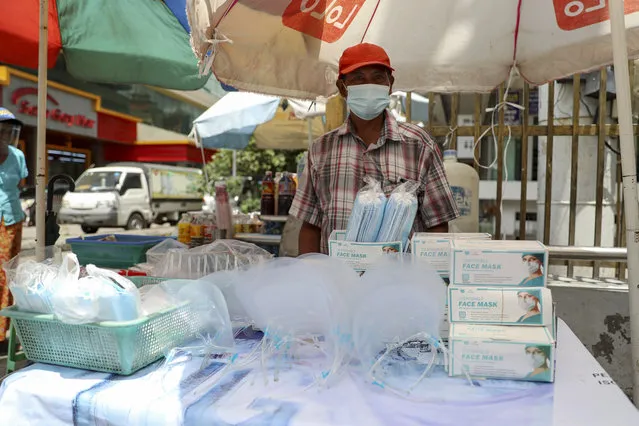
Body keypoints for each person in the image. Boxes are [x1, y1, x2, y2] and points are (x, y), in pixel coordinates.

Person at [291, 43, 459, 254]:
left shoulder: (419, 145)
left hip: (399, 280)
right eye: (359, 78)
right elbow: (310, 227)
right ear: (343, 88)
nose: (369, 85)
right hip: (336, 281)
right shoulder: (321, 150)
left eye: (378, 78)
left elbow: (438, 225)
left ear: (390, 84)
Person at [0, 108, 28, 341]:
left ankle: (3, 330)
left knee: (7, 272)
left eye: (9, 131)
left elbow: (20, 180)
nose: (6, 135)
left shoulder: (17, 156)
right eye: (2, 130)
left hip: (11, 218)